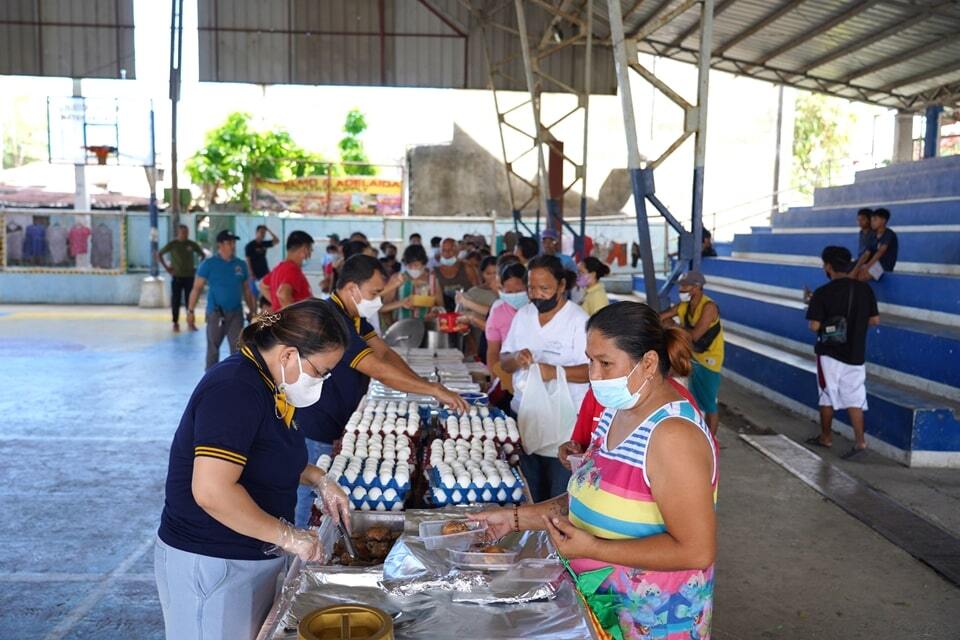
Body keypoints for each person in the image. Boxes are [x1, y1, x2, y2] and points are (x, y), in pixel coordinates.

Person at [472, 302, 717, 640]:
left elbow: (696, 549)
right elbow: (588, 495)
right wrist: (513, 519)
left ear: (648, 363)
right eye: (590, 360)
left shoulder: (672, 436)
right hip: (601, 607)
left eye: (605, 363)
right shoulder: (614, 413)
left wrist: (594, 549)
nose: (594, 375)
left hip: (653, 621)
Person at [155, 300, 352, 640]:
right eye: (320, 372)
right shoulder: (234, 389)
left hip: (251, 556)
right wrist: (289, 537)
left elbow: (267, 457)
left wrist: (320, 479)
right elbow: (212, 492)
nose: (322, 382)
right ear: (289, 355)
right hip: (213, 563)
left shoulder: (269, 384)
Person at [294, 255, 469, 525]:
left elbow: (385, 353)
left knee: (325, 489)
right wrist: (431, 389)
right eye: (374, 292)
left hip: (337, 420)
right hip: (317, 425)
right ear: (352, 288)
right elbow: (377, 368)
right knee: (312, 497)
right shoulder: (332, 320)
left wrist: (424, 386)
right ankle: (302, 553)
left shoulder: (353, 317)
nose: (377, 300)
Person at [500, 255, 589, 502]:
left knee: (558, 497)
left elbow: (593, 372)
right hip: (526, 418)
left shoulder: (578, 321)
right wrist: (516, 357)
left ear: (561, 286)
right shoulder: (524, 316)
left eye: (545, 288)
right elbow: (504, 362)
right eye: (531, 288)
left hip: (564, 424)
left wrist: (557, 372)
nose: (537, 294)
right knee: (531, 494)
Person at [805, 246, 880, 460]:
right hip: (856, 353)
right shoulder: (865, 290)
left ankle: (826, 437)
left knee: (827, 395)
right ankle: (860, 442)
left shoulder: (822, 293)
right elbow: (875, 320)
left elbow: (814, 326)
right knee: (855, 396)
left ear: (828, 266)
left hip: (829, 353)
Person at [660, 270, 724, 435]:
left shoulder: (708, 307)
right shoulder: (684, 306)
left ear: (697, 287)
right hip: (694, 356)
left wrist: (672, 326)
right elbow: (661, 317)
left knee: (709, 403)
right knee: (696, 399)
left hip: (709, 360)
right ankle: (701, 435)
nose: (681, 290)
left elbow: (694, 336)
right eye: (680, 286)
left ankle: (712, 440)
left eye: (685, 286)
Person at [188, 231, 257, 370]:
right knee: (213, 350)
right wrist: (190, 311)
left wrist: (253, 311)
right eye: (229, 242)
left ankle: (238, 380)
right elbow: (196, 288)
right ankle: (210, 381)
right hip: (216, 313)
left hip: (236, 314)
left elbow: (247, 290)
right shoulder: (209, 264)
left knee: (239, 351)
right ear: (220, 245)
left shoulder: (241, 265)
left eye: (233, 242)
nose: (232, 245)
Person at [485, 261, 527, 395]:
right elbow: (492, 351)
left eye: (519, 291)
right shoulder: (498, 311)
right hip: (507, 373)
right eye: (509, 292)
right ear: (501, 289)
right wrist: (495, 378)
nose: (514, 295)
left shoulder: (536, 310)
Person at [157, 224, 205, 332]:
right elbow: (159, 254)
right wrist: (167, 268)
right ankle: (175, 322)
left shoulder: (191, 244)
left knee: (190, 301)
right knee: (176, 300)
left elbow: (202, 255)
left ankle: (191, 322)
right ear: (178, 233)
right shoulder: (173, 244)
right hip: (177, 276)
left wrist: (198, 268)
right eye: (183, 232)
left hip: (189, 276)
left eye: (186, 232)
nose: (185, 234)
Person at [381, 243, 440, 321]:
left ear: (424, 264)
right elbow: (383, 308)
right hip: (402, 325)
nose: (413, 268)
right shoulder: (397, 279)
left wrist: (435, 312)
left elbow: (440, 306)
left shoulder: (432, 280)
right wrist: (401, 303)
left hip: (427, 325)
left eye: (416, 265)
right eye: (409, 265)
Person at [263, 231, 314, 310]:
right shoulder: (292, 269)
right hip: (293, 321)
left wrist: (276, 304)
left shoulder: (279, 268)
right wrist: (295, 319)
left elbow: (263, 286)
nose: (310, 255)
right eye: (310, 250)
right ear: (304, 249)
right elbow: (282, 294)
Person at [854, 208, 898, 281]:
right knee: (855, 273)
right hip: (874, 264)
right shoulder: (873, 235)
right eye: (871, 221)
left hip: (884, 266)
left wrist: (867, 266)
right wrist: (857, 268)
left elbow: (880, 252)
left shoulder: (889, 234)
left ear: (883, 221)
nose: (872, 223)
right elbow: (866, 254)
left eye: (875, 220)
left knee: (861, 277)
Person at [435, 237, 478, 311]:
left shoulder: (467, 268)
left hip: (468, 311)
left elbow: (477, 290)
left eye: (451, 250)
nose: (447, 253)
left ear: (458, 251)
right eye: (444, 250)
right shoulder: (435, 272)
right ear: (440, 252)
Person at [244, 225, 279, 306]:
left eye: (264, 233)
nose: (263, 234)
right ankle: (254, 314)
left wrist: (269, 230)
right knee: (254, 294)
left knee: (266, 293)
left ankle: (264, 313)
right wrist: (251, 273)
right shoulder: (250, 245)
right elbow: (247, 260)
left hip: (264, 272)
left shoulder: (264, 244)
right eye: (261, 232)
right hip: (255, 273)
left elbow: (276, 241)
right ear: (256, 233)